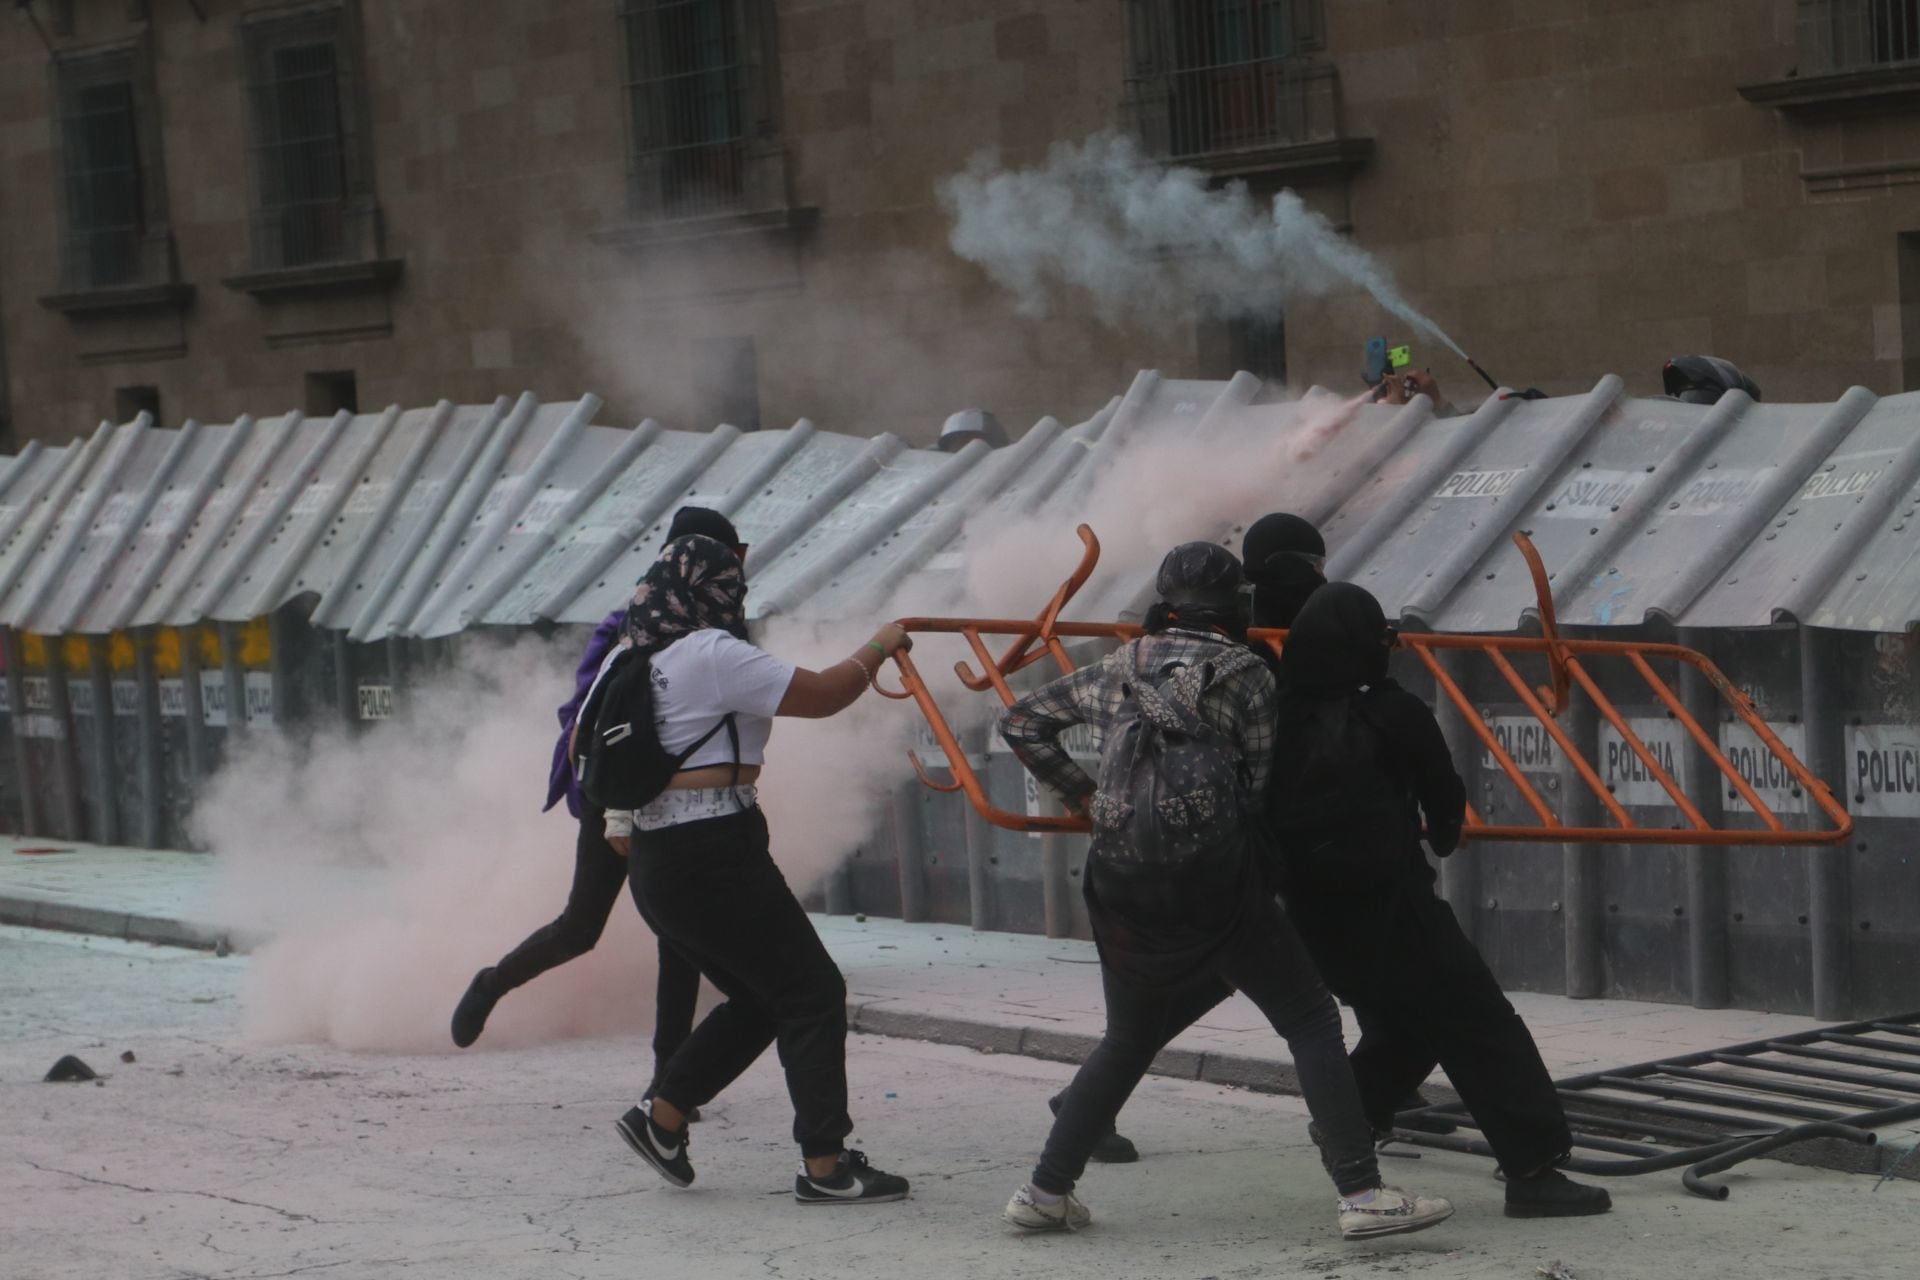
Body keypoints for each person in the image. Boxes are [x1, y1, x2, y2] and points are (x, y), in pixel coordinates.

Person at [996, 542, 1454, 1240]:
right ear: (1236, 606)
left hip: (1119, 880)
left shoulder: (1121, 665)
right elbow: (1261, 788)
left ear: (1166, 600)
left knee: (1129, 1034)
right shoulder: (1247, 676)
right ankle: (1362, 1194)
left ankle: (1044, 1191)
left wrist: (1086, 799)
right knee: (1310, 1020)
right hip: (1213, 882)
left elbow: (1022, 722)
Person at [1266, 581, 1611, 1219]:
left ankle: (1350, 1118)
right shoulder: (1394, 713)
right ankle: (1533, 1170)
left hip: (1314, 921)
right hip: (1396, 911)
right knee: (1482, 1025)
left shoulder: (1275, 718)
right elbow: (1445, 810)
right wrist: (1435, 833)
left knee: (1405, 1023)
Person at [607, 533, 915, 1204]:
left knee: (759, 997)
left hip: (660, 858)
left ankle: (661, 1119)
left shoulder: (631, 657)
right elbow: (828, 693)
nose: (737, 598)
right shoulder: (711, 653)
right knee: (812, 992)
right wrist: (881, 645)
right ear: (712, 590)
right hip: (714, 847)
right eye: (731, 586)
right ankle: (827, 1167)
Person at [449, 507, 746, 1116]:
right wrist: (615, 813)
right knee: (580, 929)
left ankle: (668, 1084)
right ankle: (492, 983)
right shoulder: (626, 630)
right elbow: (586, 722)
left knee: (680, 943)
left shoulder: (726, 637)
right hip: (614, 803)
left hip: (680, 809)